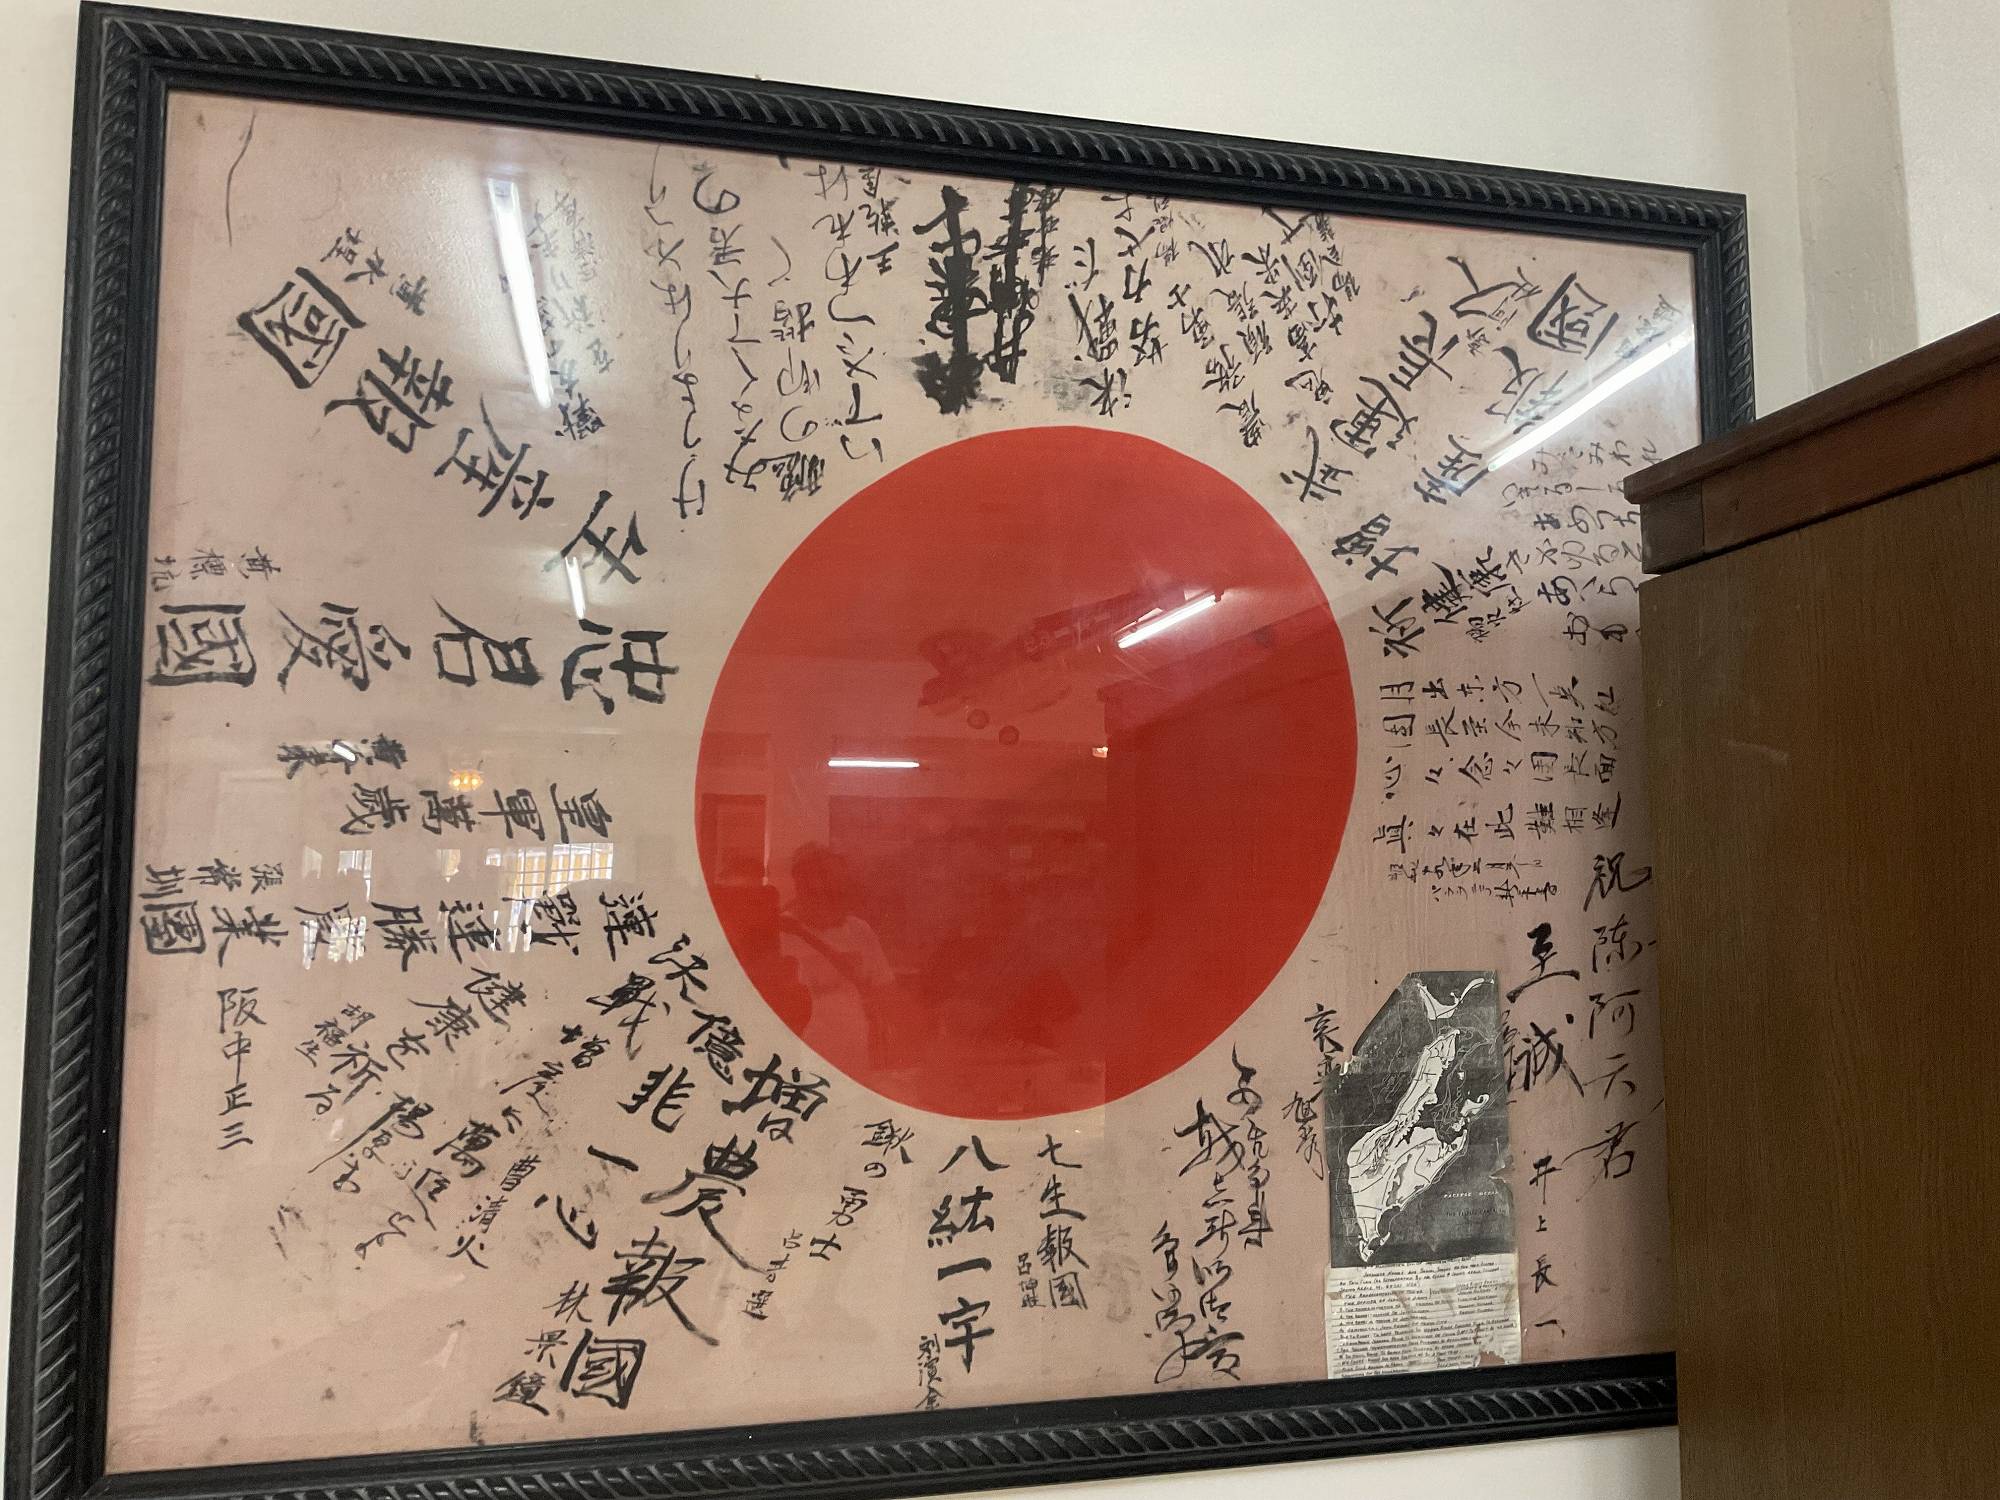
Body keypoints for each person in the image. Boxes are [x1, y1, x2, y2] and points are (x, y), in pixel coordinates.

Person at [777, 843, 895, 1062]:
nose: (820, 887)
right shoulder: (778, 932)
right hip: (797, 1059)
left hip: (854, 1057)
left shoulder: (859, 930)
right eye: (811, 877)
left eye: (830, 879)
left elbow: (884, 990)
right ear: (798, 881)